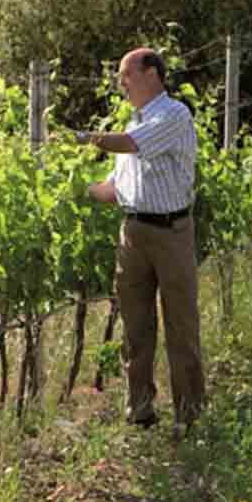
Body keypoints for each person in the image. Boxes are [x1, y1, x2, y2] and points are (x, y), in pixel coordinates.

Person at [73, 47, 205, 438]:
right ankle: (140, 410)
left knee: (181, 325)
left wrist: (83, 138)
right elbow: (115, 188)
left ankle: (189, 414)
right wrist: (75, 191)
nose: (121, 83)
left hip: (171, 233)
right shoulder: (133, 121)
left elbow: (129, 144)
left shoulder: (172, 115)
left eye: (126, 74)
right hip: (132, 233)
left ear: (152, 73)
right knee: (135, 327)